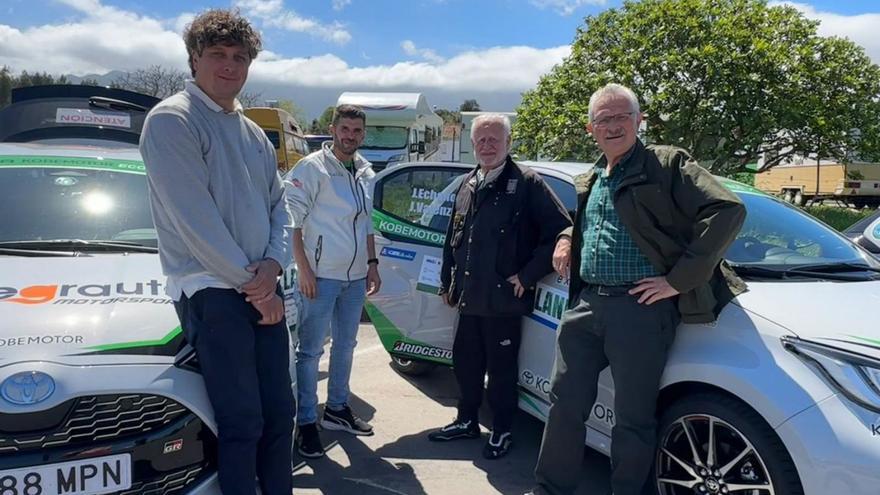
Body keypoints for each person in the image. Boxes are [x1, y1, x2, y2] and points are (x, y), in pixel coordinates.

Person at [526, 83, 746, 495]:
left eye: (621, 116)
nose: (612, 126)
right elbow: (603, 222)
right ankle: (550, 488)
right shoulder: (593, 176)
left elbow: (728, 209)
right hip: (586, 304)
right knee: (564, 405)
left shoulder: (666, 163)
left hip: (639, 310)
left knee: (633, 417)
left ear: (639, 120)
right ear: (591, 128)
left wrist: (678, 280)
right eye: (603, 119)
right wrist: (566, 237)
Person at [139, 9, 293, 495]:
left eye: (240, 57)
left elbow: (279, 207)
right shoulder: (172, 121)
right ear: (194, 60)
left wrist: (273, 265)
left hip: (260, 288)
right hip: (213, 294)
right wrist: (259, 288)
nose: (230, 66)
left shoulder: (252, 133)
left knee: (279, 416)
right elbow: (196, 222)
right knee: (242, 421)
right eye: (218, 55)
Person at [428, 114, 571, 459]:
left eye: (494, 140)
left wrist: (527, 276)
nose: (487, 146)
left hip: (504, 299)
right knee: (466, 363)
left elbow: (559, 229)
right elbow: (454, 237)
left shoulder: (527, 182)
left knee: (502, 370)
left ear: (508, 143)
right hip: (468, 295)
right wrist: (448, 279)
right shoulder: (469, 182)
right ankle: (466, 421)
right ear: (473, 144)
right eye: (481, 141)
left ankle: (503, 429)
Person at [285, 104, 381, 458]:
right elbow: (291, 220)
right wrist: (304, 269)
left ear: (363, 134)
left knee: (346, 345)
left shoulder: (364, 171)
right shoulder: (312, 168)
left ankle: (337, 409)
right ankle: (306, 422)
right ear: (332, 129)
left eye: (357, 131)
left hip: (354, 278)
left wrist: (372, 264)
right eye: (345, 129)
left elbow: (367, 223)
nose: (350, 136)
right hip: (320, 277)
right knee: (310, 352)